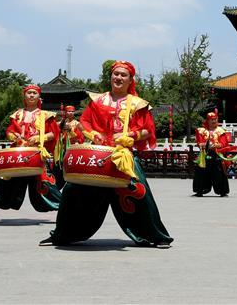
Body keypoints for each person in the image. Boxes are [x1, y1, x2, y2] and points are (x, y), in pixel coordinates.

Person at [41, 61, 173, 247]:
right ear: (110, 77)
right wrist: (93, 134)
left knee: (139, 192)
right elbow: (85, 122)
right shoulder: (98, 101)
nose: (118, 77)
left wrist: (130, 135)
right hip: (98, 155)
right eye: (116, 74)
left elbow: (147, 131)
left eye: (123, 75)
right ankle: (62, 235)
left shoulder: (137, 104)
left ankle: (156, 236)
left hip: (123, 156)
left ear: (130, 80)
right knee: (72, 190)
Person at [0, 85, 62, 223]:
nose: (31, 95)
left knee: (47, 186)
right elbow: (10, 131)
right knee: (3, 183)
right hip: (18, 156)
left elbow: (54, 133)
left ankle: (69, 214)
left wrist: (38, 138)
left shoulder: (45, 115)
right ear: (24, 96)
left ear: (38, 97)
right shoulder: (17, 114)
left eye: (34, 93)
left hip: (36, 156)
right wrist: (14, 137)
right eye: (28, 93)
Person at [193, 110, 233, 197]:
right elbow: (199, 141)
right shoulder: (202, 130)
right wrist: (201, 144)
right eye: (212, 119)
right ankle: (200, 190)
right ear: (208, 120)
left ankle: (222, 191)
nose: (214, 121)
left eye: (215, 119)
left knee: (219, 172)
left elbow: (224, 143)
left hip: (216, 154)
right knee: (201, 172)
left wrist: (218, 145)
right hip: (204, 154)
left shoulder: (221, 130)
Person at [52, 105, 83, 187]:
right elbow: (55, 134)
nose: (71, 113)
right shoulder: (59, 123)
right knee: (58, 166)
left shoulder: (77, 124)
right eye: (69, 111)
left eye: (72, 111)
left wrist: (70, 130)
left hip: (71, 147)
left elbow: (80, 137)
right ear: (65, 112)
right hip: (60, 147)